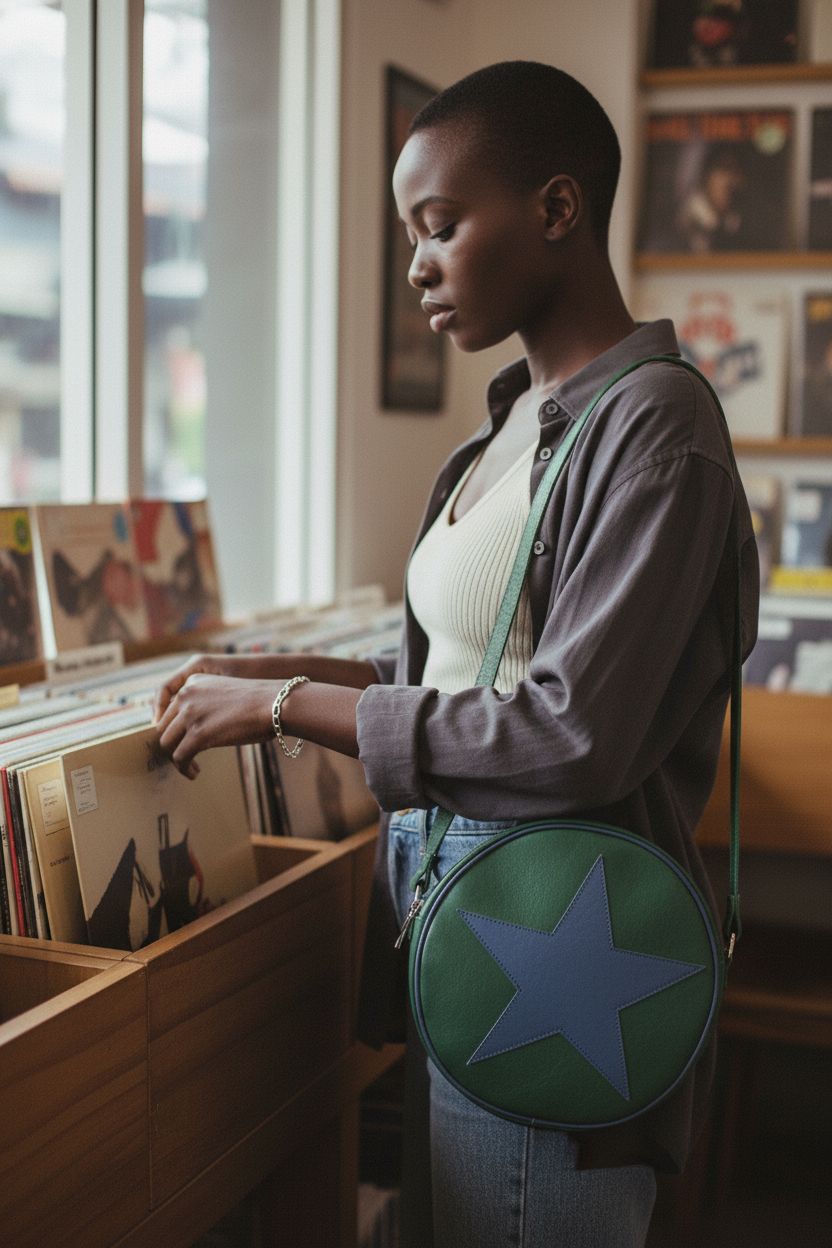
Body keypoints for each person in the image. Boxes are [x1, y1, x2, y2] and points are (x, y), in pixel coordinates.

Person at [153, 61, 759, 1248]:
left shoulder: (657, 430)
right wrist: (268, 678)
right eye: (409, 234)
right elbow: (458, 682)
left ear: (556, 208)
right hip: (468, 917)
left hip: (557, 938)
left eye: (439, 226)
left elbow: (568, 735)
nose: (417, 262)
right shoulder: (514, 424)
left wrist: (280, 705)